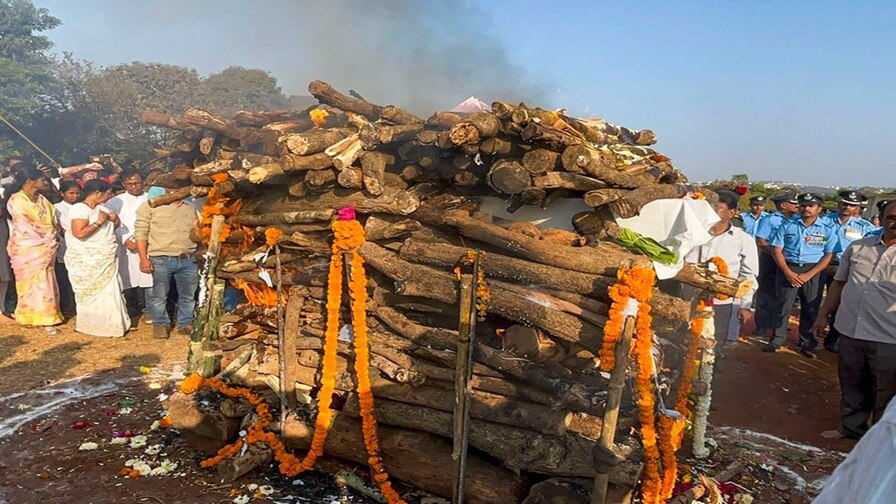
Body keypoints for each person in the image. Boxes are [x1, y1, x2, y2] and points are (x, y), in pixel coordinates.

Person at [811, 200, 896, 440]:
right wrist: (822, 314)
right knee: (852, 384)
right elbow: (839, 283)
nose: (895, 223)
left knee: (886, 392)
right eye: (891, 217)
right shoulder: (858, 247)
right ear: (882, 217)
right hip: (850, 330)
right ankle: (852, 429)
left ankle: (879, 441)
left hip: (888, 337)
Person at [763, 192, 836, 358]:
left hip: (814, 270)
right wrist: (787, 272)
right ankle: (777, 340)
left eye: (811, 206)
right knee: (783, 306)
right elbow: (777, 250)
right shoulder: (788, 225)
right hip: (788, 268)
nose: (806, 209)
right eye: (803, 205)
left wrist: (809, 274)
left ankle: (807, 343)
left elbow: (829, 255)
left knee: (810, 308)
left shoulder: (828, 229)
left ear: (819, 209)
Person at [684, 190, 759, 349]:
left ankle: (709, 370)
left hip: (722, 302)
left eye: (717, 208)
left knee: (714, 343)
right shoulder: (692, 233)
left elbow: (748, 275)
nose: (712, 212)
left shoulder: (743, 240)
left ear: (731, 212)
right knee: (684, 339)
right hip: (689, 297)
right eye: (709, 208)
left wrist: (745, 306)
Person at [135, 178, 200, 339]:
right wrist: (143, 259)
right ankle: (160, 324)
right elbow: (141, 233)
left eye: (177, 188)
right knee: (159, 295)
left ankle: (185, 323)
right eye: (169, 187)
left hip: (188, 258)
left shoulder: (191, 207)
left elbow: (199, 231)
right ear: (164, 189)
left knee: (188, 295)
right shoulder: (150, 206)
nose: (173, 191)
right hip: (161, 258)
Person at [65, 179, 130, 337]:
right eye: (107, 193)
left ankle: (113, 325)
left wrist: (113, 220)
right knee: (93, 293)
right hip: (87, 259)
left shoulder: (103, 208)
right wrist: (99, 222)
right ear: (97, 193)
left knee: (110, 290)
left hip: (105, 257)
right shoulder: (79, 208)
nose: (109, 196)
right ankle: (92, 325)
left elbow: (112, 228)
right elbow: (79, 233)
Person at [2, 164, 63, 332]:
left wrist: (51, 234)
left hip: (47, 246)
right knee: (30, 284)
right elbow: (26, 225)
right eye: (42, 180)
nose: (45, 183)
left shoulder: (42, 199)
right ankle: (32, 316)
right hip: (27, 248)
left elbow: (52, 220)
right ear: (30, 181)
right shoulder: (16, 200)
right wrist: (46, 235)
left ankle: (48, 315)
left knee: (47, 282)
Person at [819, 190, 876, 353]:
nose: (846, 207)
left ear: (858, 208)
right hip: (821, 265)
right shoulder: (824, 221)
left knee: (841, 304)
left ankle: (833, 338)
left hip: (847, 268)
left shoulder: (865, 227)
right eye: (844, 203)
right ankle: (809, 337)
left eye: (851, 205)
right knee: (814, 302)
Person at [106, 172, 153, 323]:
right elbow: (113, 224)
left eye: (137, 183)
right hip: (124, 245)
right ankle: (132, 306)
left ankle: (150, 309)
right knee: (127, 275)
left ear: (144, 182)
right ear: (123, 184)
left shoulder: (151, 199)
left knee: (149, 277)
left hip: (148, 243)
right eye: (129, 184)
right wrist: (125, 239)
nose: (133, 187)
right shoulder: (115, 201)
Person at [752, 193, 799, 336]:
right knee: (766, 292)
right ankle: (762, 324)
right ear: (784, 205)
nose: (797, 206)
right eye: (793, 203)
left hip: (789, 260)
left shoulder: (798, 220)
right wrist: (775, 254)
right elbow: (761, 241)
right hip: (770, 259)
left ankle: (779, 324)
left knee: (784, 295)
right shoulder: (770, 219)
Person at [53, 180, 81, 318]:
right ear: (62, 193)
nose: (75, 196)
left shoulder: (82, 206)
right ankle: (67, 307)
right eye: (71, 193)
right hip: (65, 246)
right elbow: (63, 228)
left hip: (81, 248)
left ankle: (79, 306)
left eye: (77, 193)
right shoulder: (57, 208)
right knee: (65, 280)